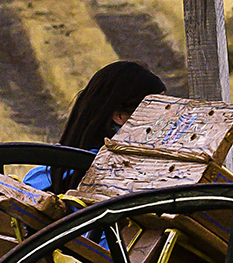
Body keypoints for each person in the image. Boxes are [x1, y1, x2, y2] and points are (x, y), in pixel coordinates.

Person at [27, 59, 168, 192]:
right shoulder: (113, 176)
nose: (168, 116)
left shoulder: (43, 176)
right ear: (119, 116)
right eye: (158, 107)